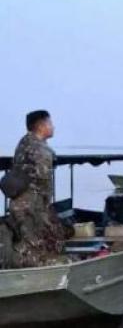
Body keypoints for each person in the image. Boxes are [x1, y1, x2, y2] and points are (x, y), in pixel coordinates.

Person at [8, 110, 70, 267]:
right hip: (31, 206)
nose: (53, 127)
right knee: (33, 246)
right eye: (50, 123)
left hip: (22, 204)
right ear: (42, 126)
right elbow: (43, 184)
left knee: (34, 239)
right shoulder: (40, 150)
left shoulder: (24, 143)